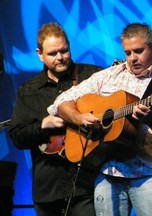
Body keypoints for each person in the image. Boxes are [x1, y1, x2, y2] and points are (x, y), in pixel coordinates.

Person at [48, 22, 152, 215]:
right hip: (108, 171)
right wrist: (80, 117)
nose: (132, 58)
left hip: (147, 173)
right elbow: (60, 101)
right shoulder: (110, 74)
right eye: (128, 53)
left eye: (138, 51)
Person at [9, 23, 103, 216]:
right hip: (48, 189)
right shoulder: (29, 90)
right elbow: (17, 136)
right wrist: (43, 125)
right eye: (52, 53)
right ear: (39, 54)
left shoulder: (93, 76)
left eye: (64, 50)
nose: (60, 57)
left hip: (88, 185)